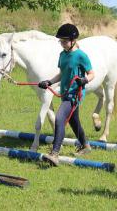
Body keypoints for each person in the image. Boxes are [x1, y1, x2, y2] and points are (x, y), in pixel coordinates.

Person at [38, 23, 95, 166]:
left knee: (59, 118)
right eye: (61, 41)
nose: (62, 44)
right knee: (74, 122)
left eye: (64, 41)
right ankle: (86, 146)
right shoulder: (62, 55)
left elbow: (92, 73)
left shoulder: (81, 56)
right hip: (64, 92)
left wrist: (84, 79)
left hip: (74, 95)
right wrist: (49, 82)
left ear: (73, 40)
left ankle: (54, 154)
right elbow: (62, 73)